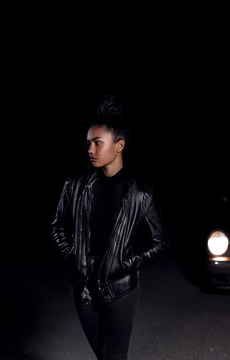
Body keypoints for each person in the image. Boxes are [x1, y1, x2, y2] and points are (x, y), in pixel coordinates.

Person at [51, 93, 168, 360]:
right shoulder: (75, 186)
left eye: (97, 143)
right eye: (88, 143)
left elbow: (159, 241)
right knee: (103, 355)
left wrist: (129, 263)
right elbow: (57, 227)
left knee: (111, 356)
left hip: (121, 289)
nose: (90, 149)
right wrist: (74, 257)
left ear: (119, 145)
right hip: (83, 288)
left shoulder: (140, 194)